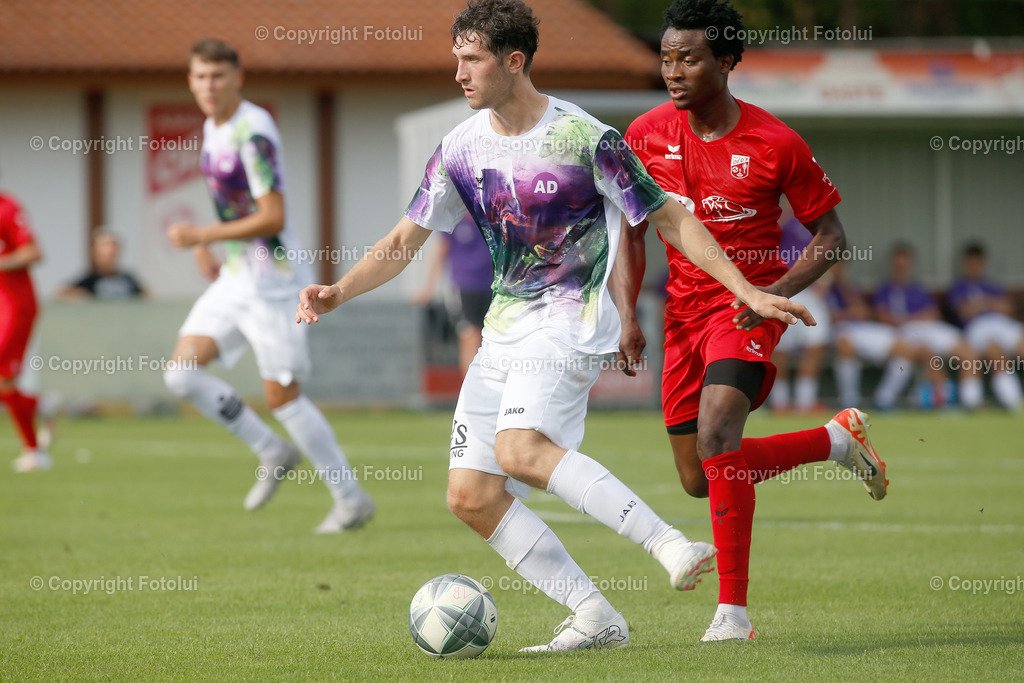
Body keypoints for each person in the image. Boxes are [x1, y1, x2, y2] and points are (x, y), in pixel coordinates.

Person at [297, 0, 811, 652]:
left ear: (514, 62)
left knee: (519, 449)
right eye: (456, 58)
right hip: (504, 326)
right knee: (471, 494)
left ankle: (669, 541)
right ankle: (594, 615)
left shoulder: (585, 138)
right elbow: (405, 238)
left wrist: (748, 290)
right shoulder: (460, 146)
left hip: (569, 320)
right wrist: (338, 290)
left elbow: (672, 219)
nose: (459, 72)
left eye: (472, 58)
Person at [619, 0, 888, 642]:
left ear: (729, 61)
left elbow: (831, 234)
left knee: (717, 436)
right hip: (681, 316)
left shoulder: (775, 142)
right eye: (666, 58)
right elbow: (632, 231)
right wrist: (627, 312)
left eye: (690, 58)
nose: (674, 71)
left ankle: (732, 615)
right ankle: (834, 441)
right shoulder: (643, 135)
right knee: (698, 477)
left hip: (746, 309)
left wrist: (772, 292)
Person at [164, 39, 373, 533]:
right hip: (237, 279)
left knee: (284, 397)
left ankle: (351, 500)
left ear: (238, 78)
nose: (208, 86)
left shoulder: (253, 130)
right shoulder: (212, 128)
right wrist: (204, 245)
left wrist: (201, 234)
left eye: (218, 76)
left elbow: (272, 215)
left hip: (275, 285)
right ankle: (270, 448)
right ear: (190, 81)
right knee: (180, 373)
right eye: (200, 77)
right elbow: (229, 200)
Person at [873, 242, 982, 410]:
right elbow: (884, 318)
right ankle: (945, 400)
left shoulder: (919, 288)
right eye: (898, 263)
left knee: (965, 348)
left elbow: (934, 314)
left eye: (905, 262)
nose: (902, 266)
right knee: (925, 350)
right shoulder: (885, 289)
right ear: (893, 264)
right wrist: (911, 319)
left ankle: (972, 401)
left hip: (929, 327)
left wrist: (910, 318)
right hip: (905, 333)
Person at [0, 179, 50, 471]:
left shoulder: (7, 208)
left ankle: (35, 451)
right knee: (5, 382)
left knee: (4, 378)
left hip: (15, 307)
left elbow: (33, 252)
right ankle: (38, 405)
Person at [828, 261, 922, 409]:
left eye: (841, 264)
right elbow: (825, 317)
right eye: (834, 264)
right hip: (831, 331)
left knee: (907, 351)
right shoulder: (816, 283)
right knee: (845, 343)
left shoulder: (848, 285)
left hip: (861, 328)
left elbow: (862, 312)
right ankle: (849, 402)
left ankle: (884, 400)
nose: (837, 268)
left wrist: (842, 282)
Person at [414, 214, 492, 376]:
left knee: (491, 340)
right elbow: (439, 253)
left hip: (493, 288)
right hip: (464, 289)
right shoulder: (454, 221)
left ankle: (491, 393)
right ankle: (471, 391)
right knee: (470, 337)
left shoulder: (491, 218)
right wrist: (428, 288)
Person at [947, 242, 1023, 409]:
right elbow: (964, 311)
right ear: (965, 262)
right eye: (971, 261)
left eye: (978, 261)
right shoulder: (958, 286)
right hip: (977, 327)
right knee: (994, 351)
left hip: (1000, 323)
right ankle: (1013, 403)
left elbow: (1007, 308)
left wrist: (982, 303)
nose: (975, 265)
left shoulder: (992, 285)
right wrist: (990, 304)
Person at [769, 215, 832, 413]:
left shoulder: (820, 217)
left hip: (811, 290)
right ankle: (780, 404)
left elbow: (832, 246)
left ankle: (805, 402)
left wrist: (827, 278)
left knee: (817, 342)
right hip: (784, 287)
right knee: (781, 347)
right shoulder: (781, 218)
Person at [58, 230, 146, 300]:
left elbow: (144, 296)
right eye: (103, 254)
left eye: (111, 254)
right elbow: (62, 294)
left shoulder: (127, 279)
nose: (108, 257)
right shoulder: (90, 279)